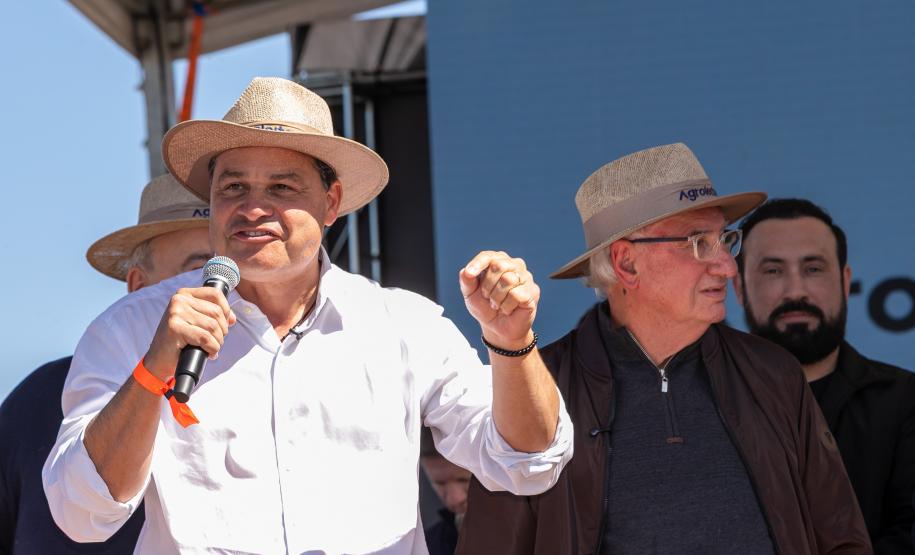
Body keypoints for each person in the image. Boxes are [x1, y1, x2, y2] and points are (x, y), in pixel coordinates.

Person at [42, 77, 573, 554]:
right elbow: (81, 514)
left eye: (281, 187)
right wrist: (150, 371)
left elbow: (527, 466)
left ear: (331, 202)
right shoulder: (133, 328)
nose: (253, 208)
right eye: (233, 188)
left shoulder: (402, 325)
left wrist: (511, 341)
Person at [458, 143, 871, 554]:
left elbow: (841, 539)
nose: (727, 267)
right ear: (627, 264)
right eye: (698, 243)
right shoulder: (535, 388)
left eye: (725, 241)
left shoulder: (773, 372)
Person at [0, 174, 211, 553]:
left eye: (235, 278)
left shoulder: (273, 394)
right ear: (139, 287)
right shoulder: (37, 401)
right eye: (199, 272)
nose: (222, 293)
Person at [734, 198, 915, 554]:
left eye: (813, 269)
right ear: (738, 288)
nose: (795, 290)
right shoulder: (702, 406)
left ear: (846, 282)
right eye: (773, 270)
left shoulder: (906, 400)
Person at [420, 427, 471, 555]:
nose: (455, 499)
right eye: (440, 483)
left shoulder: (526, 536)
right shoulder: (426, 546)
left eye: (463, 480)